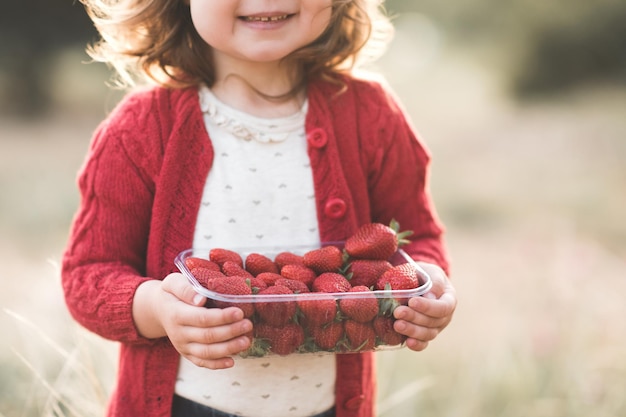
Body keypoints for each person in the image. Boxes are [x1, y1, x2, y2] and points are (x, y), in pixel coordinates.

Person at [61, 1, 457, 416]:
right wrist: (158, 309)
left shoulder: (370, 115)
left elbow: (418, 236)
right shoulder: (141, 128)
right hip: (184, 405)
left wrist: (427, 282)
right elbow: (88, 273)